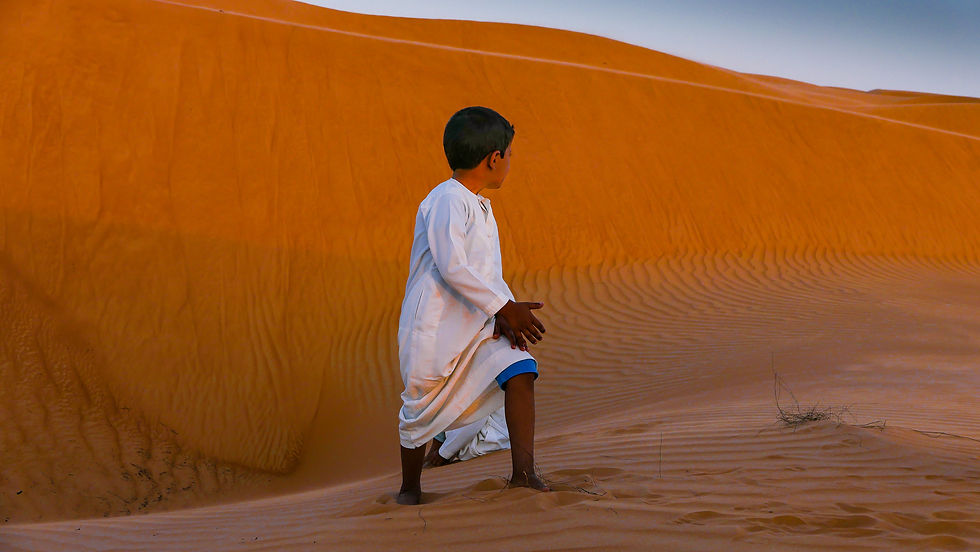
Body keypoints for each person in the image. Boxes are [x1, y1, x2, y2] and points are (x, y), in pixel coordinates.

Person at [396, 106, 550, 505]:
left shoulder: (479, 206)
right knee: (417, 411)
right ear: (494, 158)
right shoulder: (447, 199)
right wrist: (502, 307)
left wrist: (506, 308)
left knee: (519, 369)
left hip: (476, 325)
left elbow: (486, 271)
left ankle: (524, 474)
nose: (510, 163)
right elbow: (452, 266)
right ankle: (409, 490)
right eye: (510, 156)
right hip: (434, 329)